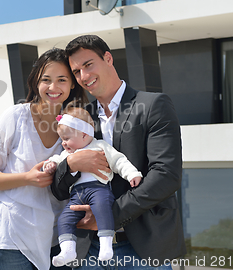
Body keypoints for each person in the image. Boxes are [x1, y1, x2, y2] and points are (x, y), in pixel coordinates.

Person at [51, 35, 186, 269]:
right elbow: (59, 188)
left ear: (108, 58)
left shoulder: (154, 105)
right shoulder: (79, 118)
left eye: (88, 64)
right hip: (88, 251)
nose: (83, 76)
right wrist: (72, 165)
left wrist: (108, 216)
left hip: (142, 250)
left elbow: (166, 175)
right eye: (76, 71)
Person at [0, 48, 87, 270]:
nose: (53, 87)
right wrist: (27, 178)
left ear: (72, 83)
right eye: (46, 80)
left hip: (58, 240)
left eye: (62, 80)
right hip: (12, 240)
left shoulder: (79, 124)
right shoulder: (15, 117)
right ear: (36, 82)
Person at [42, 105, 142, 267]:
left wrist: (132, 174)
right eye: (62, 139)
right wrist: (51, 164)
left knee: (102, 210)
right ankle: (68, 250)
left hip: (98, 189)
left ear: (84, 134)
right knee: (64, 219)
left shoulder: (100, 146)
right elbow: (57, 161)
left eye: (66, 138)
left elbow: (118, 160)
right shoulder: (68, 154)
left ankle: (106, 245)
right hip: (76, 194)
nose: (63, 143)